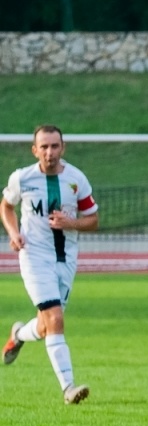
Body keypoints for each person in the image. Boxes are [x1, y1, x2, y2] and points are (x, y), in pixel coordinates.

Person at [2, 125, 97, 403]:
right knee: (56, 318)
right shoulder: (23, 178)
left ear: (63, 148)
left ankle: (18, 334)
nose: (49, 152)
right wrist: (13, 233)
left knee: (46, 327)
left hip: (65, 259)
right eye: (44, 147)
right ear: (35, 150)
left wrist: (72, 223)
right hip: (34, 257)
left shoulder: (76, 180)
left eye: (54, 146)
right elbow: (6, 206)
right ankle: (69, 388)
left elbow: (93, 219)